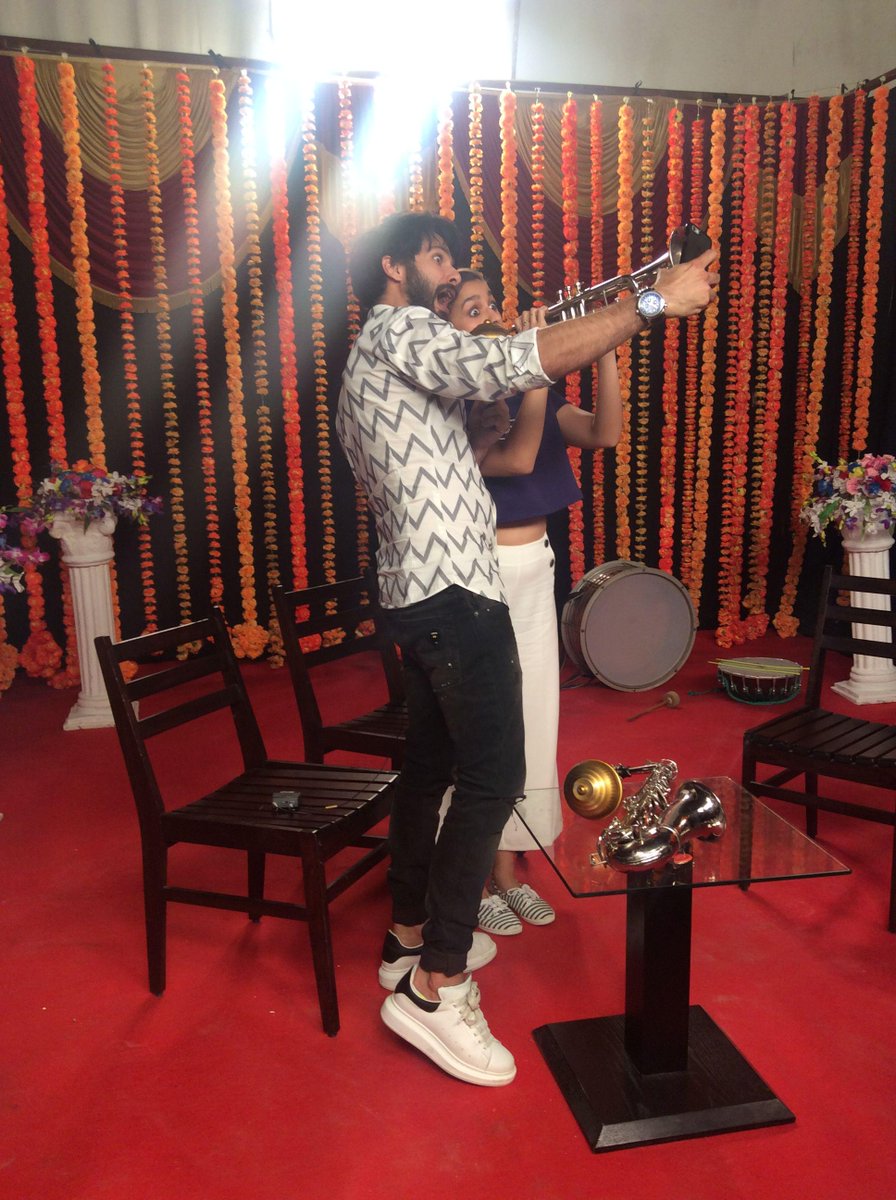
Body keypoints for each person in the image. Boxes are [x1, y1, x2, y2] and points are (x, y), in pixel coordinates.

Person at [336, 210, 717, 1087]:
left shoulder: (375, 356)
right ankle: (437, 986)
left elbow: (502, 419)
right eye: (435, 256)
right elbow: (510, 364)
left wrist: (565, 342)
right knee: (494, 775)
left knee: (430, 770)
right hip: (454, 593)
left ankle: (406, 939)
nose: (448, 272)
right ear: (392, 265)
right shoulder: (400, 331)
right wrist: (650, 302)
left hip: (420, 592)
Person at [441, 269, 622, 937]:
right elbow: (515, 463)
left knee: (534, 718)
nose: (491, 315)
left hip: (533, 566)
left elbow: (604, 434)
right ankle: (472, 874)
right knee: (484, 724)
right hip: (480, 572)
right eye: (472, 309)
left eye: (490, 303)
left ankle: (509, 868)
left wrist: (603, 345)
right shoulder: (457, 403)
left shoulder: (530, 393)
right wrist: (540, 363)